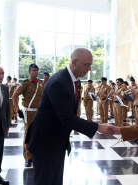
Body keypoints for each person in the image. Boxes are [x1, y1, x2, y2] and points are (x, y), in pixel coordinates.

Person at [25, 48, 113, 185]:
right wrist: (98, 127)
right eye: (86, 65)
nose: (89, 69)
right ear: (74, 62)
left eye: (90, 65)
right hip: (46, 142)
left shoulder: (73, 81)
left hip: (57, 141)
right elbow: (67, 118)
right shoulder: (59, 82)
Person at [12, 64, 44, 167]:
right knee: (28, 134)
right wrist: (18, 110)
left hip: (39, 112)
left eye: (37, 70)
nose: (36, 72)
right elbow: (14, 96)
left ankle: (36, 155)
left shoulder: (41, 83)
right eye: (34, 70)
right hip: (29, 112)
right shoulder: (24, 83)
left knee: (38, 134)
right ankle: (28, 157)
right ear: (29, 71)